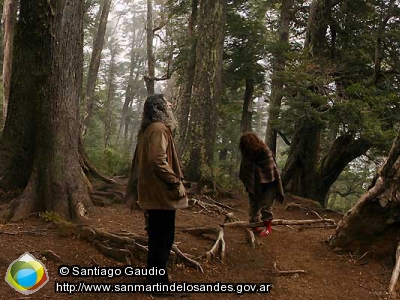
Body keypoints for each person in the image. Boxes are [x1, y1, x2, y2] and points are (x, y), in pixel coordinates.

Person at [124, 94, 188, 284]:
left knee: (159, 239)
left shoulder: (149, 130)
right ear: (160, 108)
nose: (170, 105)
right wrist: (175, 181)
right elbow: (157, 160)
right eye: (167, 103)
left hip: (153, 193)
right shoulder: (159, 129)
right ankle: (158, 284)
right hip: (160, 194)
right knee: (163, 240)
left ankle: (155, 281)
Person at [239, 132, 284, 237]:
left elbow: (271, 168)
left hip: (269, 182)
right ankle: (254, 225)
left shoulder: (265, 151)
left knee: (266, 206)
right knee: (254, 205)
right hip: (253, 184)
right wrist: (250, 182)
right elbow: (245, 170)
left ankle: (268, 227)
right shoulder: (246, 154)